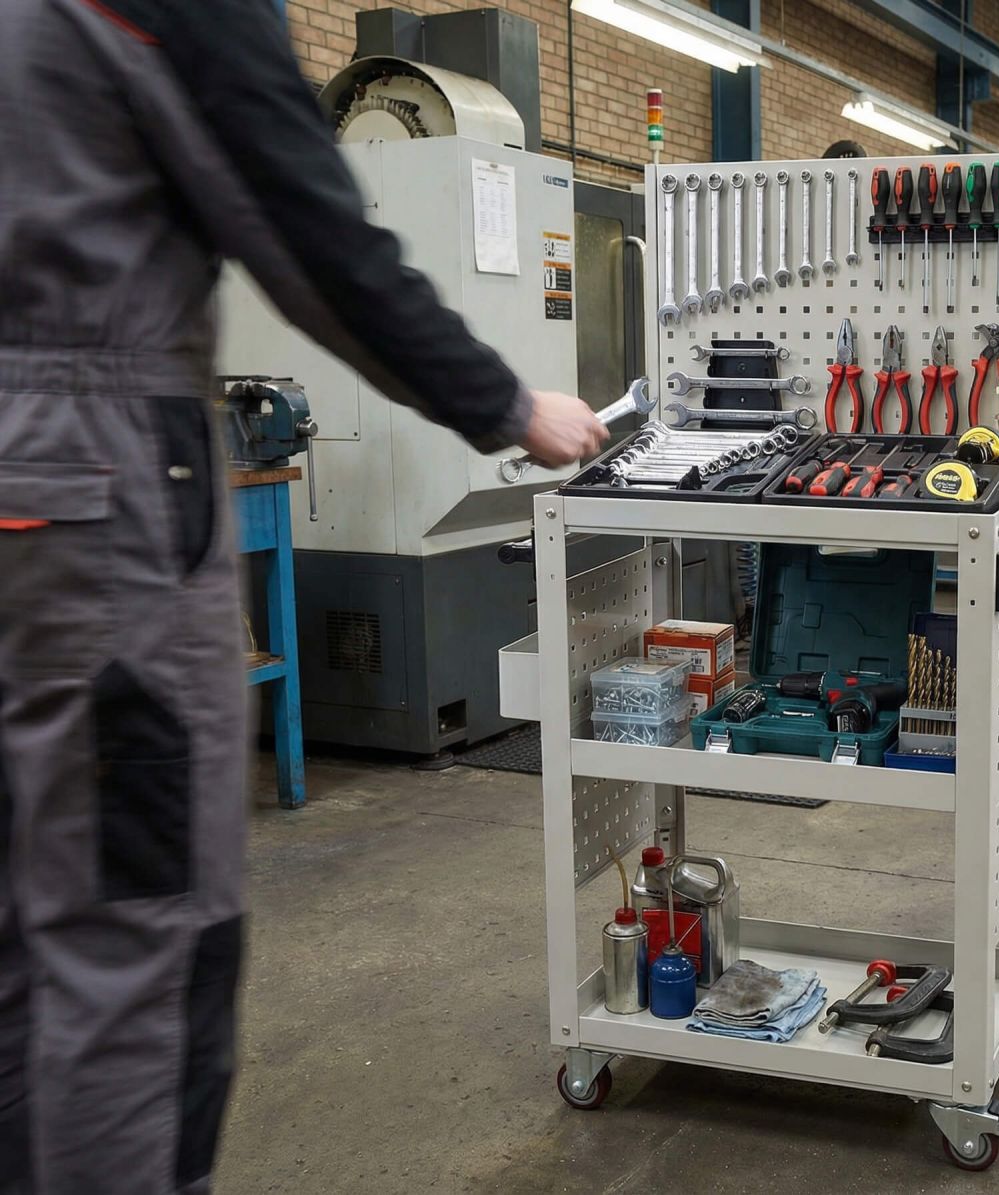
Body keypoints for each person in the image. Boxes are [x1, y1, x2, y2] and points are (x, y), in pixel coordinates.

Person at [0, 2, 607, 1191]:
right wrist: (508, 405)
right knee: (142, 930)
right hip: (90, 483)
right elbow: (313, 230)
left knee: (24, 922)